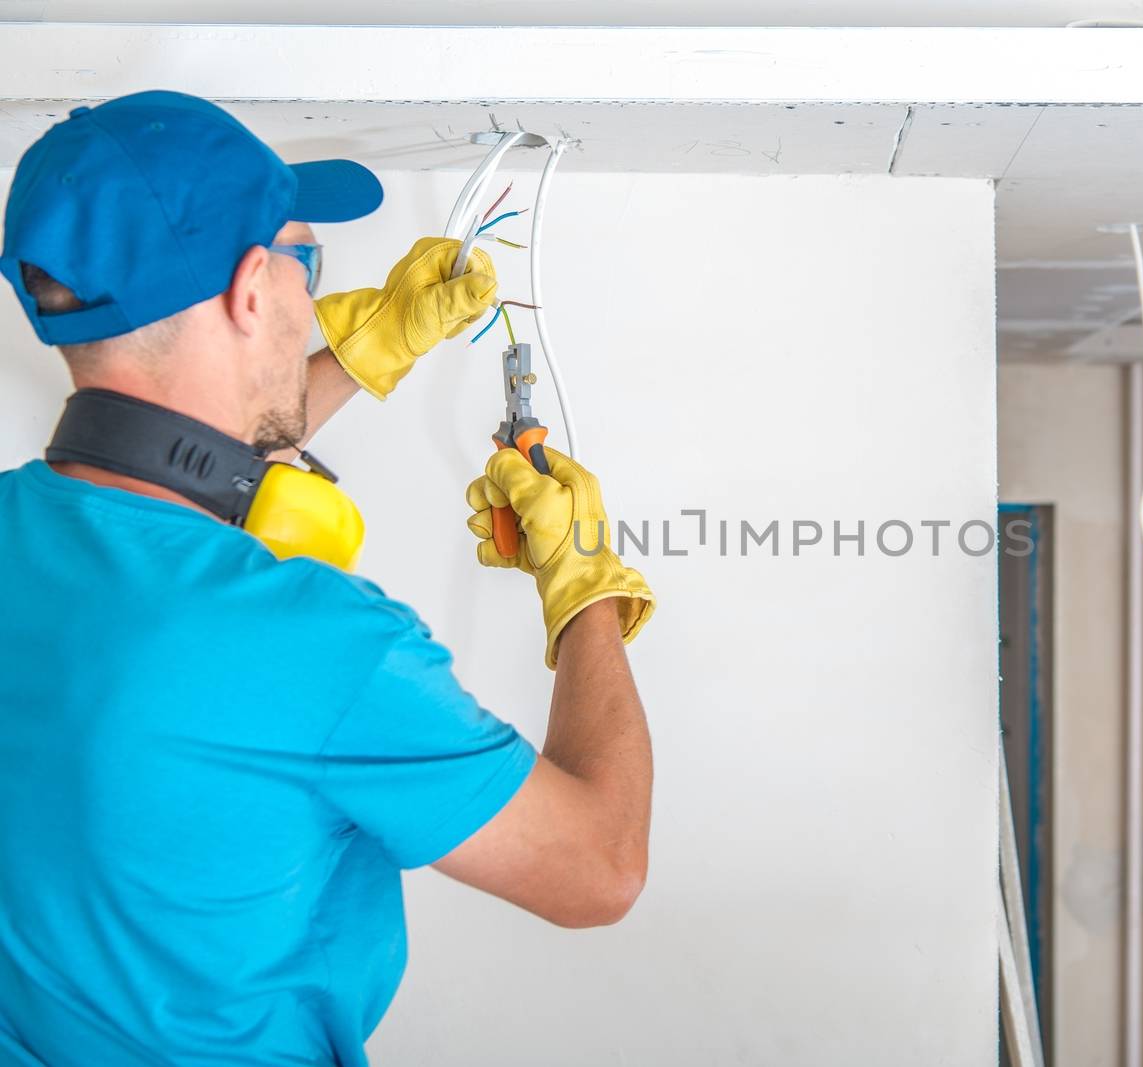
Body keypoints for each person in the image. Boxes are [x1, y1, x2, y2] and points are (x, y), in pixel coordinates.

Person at [0, 90, 655, 1067]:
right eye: (307, 264)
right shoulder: (315, 646)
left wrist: (368, 344)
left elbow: (162, 471)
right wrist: (584, 583)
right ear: (252, 290)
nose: (313, 300)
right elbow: (599, 867)